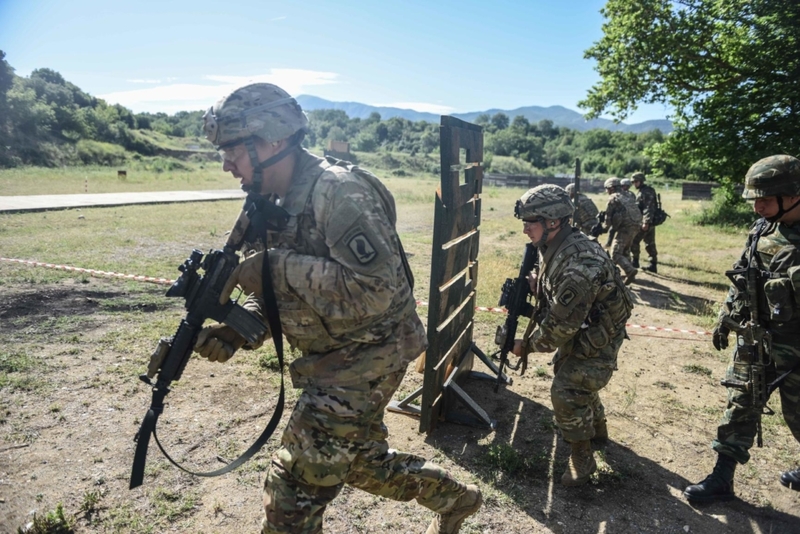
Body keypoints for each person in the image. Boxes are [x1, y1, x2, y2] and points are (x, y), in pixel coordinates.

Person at [194, 83, 481, 534]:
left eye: (232, 148)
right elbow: (273, 289)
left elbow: (378, 290)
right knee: (360, 465)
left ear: (272, 140)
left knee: (292, 492)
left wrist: (275, 266)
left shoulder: (338, 192)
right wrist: (239, 329)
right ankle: (456, 498)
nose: (226, 162)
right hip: (332, 355)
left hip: (370, 355)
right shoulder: (265, 197)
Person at [684, 155, 800, 503]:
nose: (758, 207)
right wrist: (725, 315)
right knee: (740, 405)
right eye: (755, 199)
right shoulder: (763, 228)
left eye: (765, 199)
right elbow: (741, 275)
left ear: (793, 194)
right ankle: (722, 478)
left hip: (796, 348)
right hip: (756, 339)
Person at [512, 184, 634, 487]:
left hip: (597, 333)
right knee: (572, 375)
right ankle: (598, 428)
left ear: (553, 221)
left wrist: (524, 346)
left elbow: (558, 331)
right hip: (584, 325)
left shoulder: (579, 263)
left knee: (567, 389)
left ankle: (582, 455)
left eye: (532, 221)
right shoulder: (554, 244)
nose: (526, 229)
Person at [601, 177, 642, 285]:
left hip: (625, 229)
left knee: (615, 253)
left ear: (612, 188)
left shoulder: (613, 198)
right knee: (625, 250)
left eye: (607, 189)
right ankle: (631, 276)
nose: (606, 191)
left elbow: (608, 220)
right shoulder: (628, 194)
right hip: (636, 226)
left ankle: (630, 270)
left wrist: (602, 228)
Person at [630, 172, 659, 273]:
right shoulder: (643, 191)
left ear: (641, 181)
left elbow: (648, 208)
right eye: (633, 182)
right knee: (649, 242)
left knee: (634, 240)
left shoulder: (646, 192)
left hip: (646, 222)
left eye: (635, 181)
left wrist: (645, 222)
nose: (634, 184)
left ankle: (635, 261)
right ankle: (653, 264)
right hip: (650, 222)